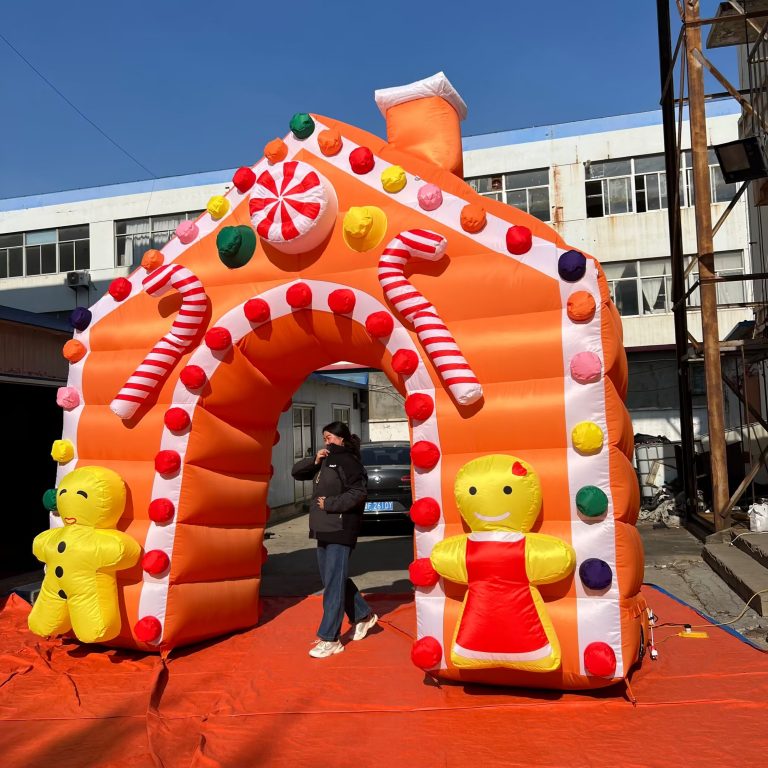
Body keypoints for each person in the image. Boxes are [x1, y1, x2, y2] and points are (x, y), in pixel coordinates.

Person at [291, 421, 378, 658]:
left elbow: (359, 492)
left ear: (341, 439)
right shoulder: (325, 461)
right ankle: (364, 615)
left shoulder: (348, 461)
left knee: (333, 585)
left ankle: (330, 639)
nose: (326, 441)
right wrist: (315, 460)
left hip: (341, 528)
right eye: (324, 437)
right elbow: (297, 472)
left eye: (329, 437)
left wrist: (330, 504)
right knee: (334, 580)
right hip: (323, 529)